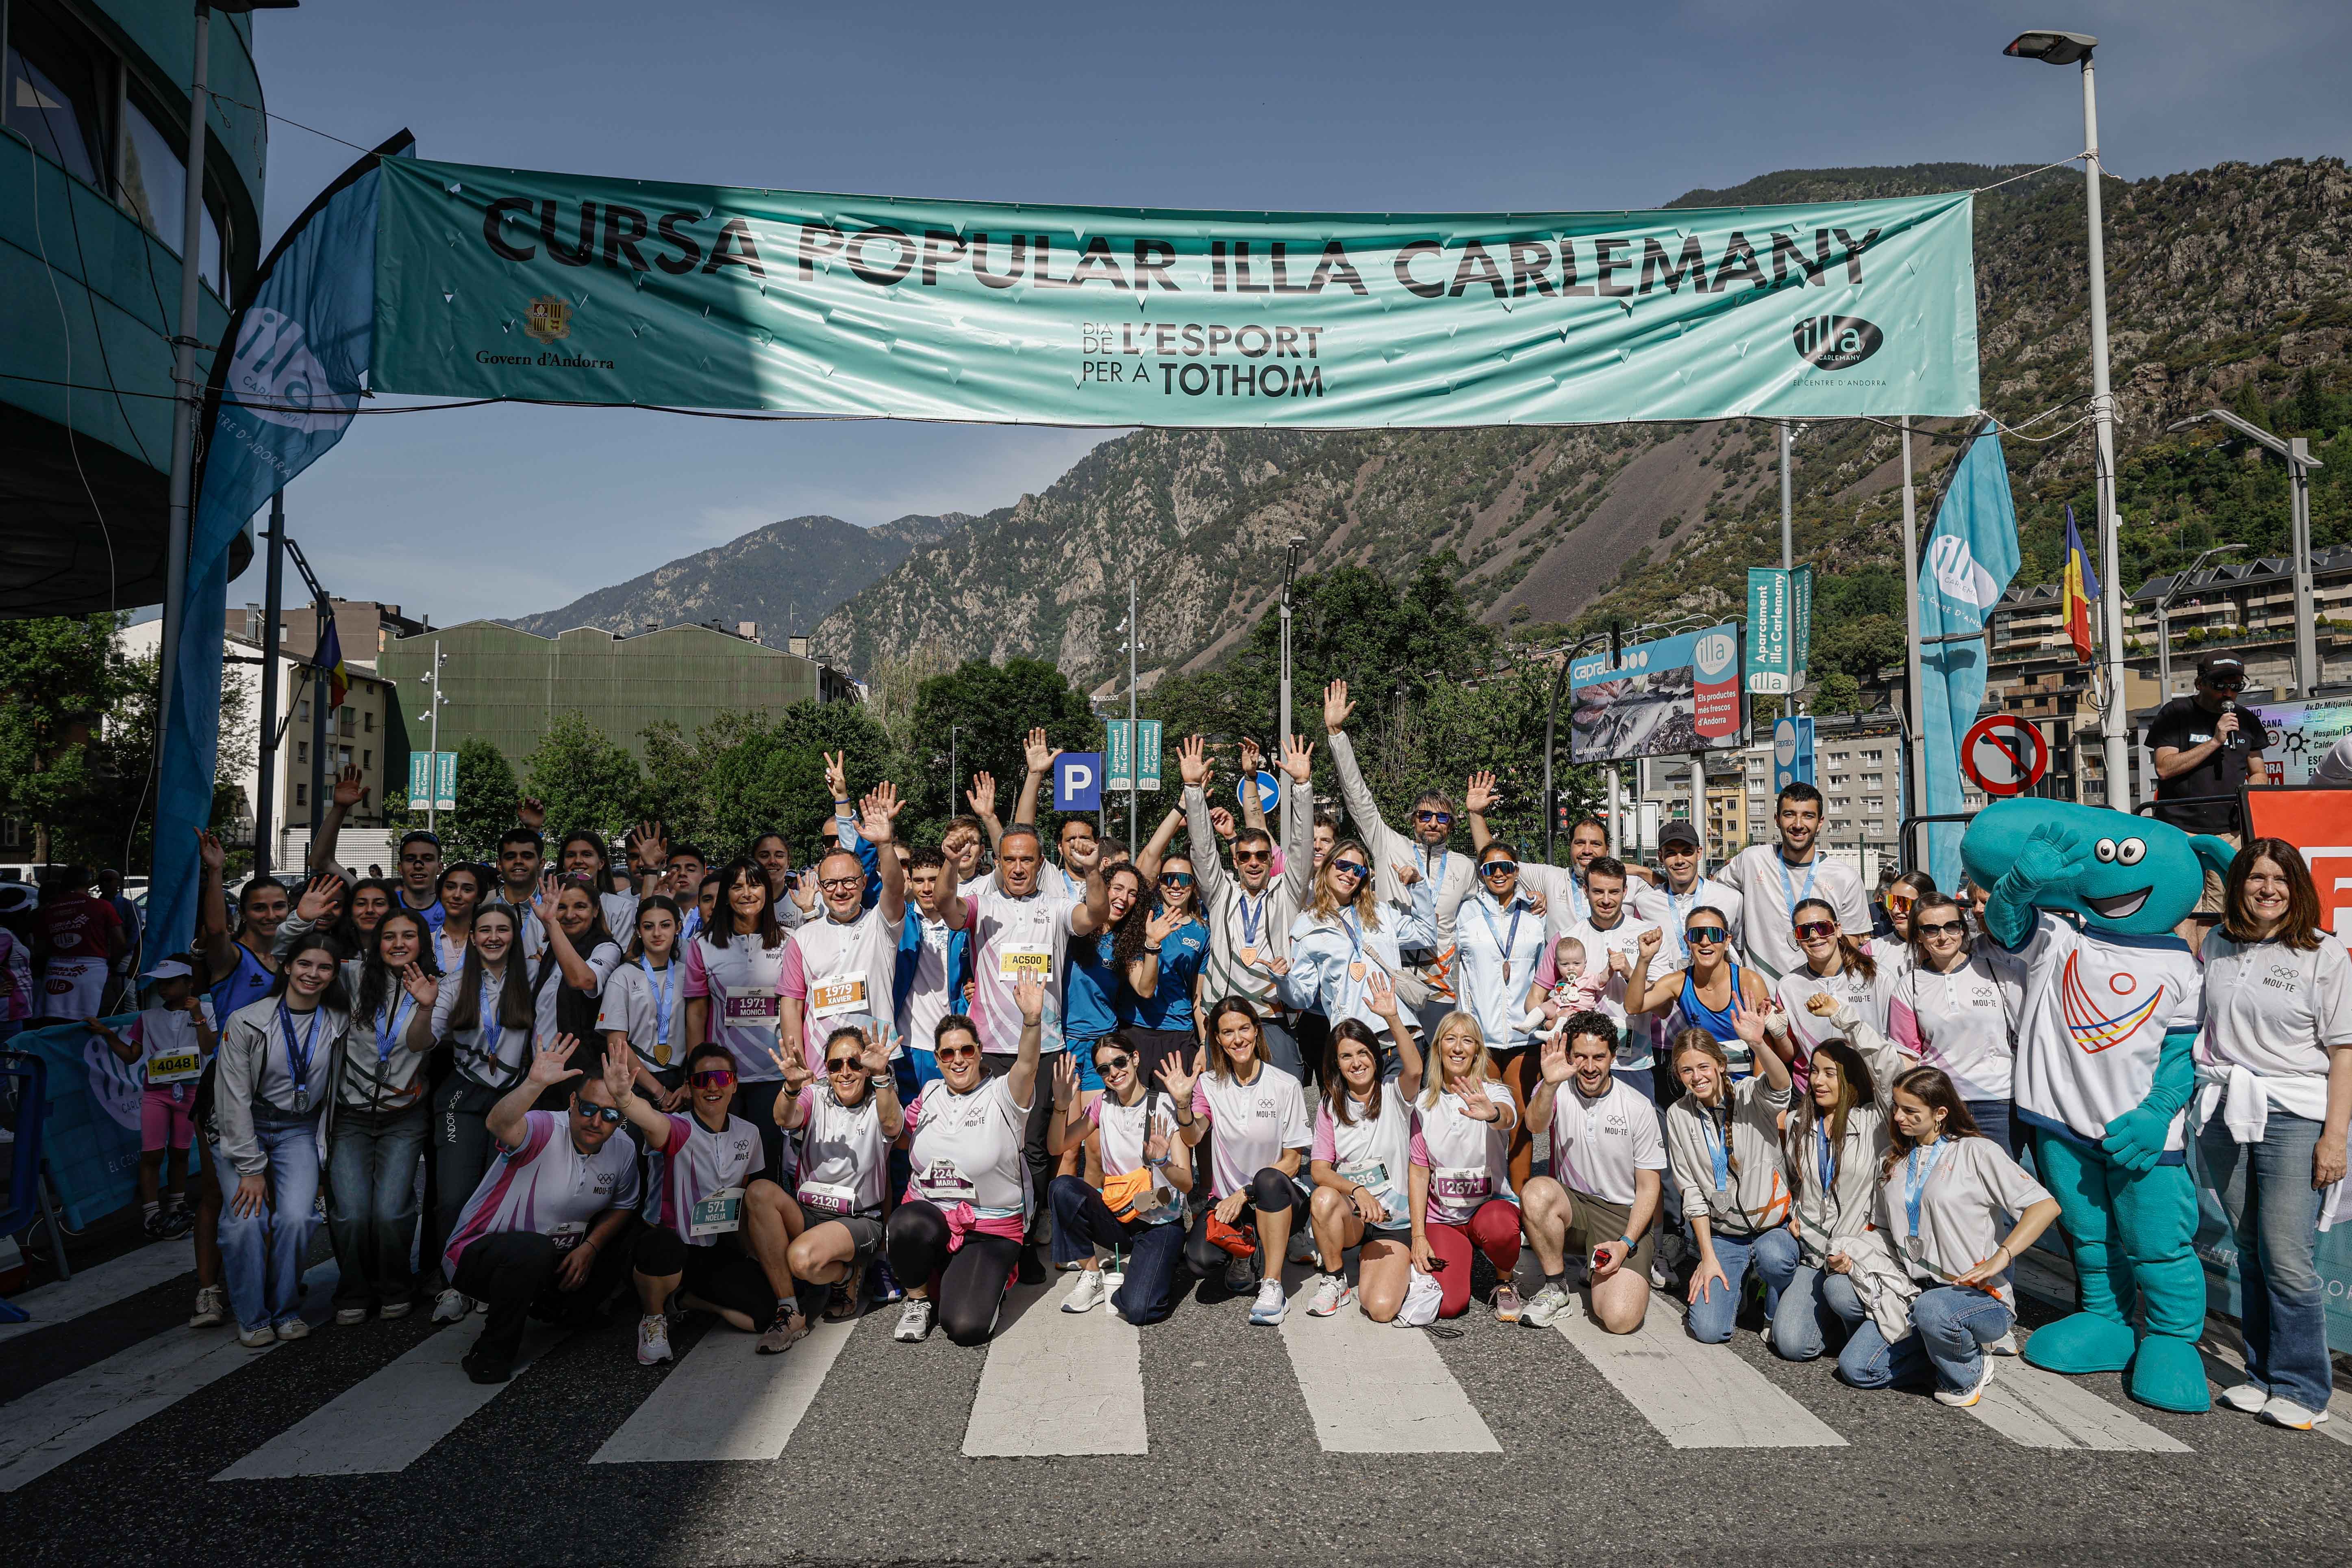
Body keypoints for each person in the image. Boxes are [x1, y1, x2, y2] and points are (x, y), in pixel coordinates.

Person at [2193, 839, 2352, 1431]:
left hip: (2295, 1112)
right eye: (2255, 877)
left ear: (2297, 887)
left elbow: (2344, 1052)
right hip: (2226, 1108)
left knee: (2287, 1256)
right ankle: (2260, 1376)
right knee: (2252, 1249)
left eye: (2278, 879)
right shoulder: (2218, 944)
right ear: (2238, 885)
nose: (2267, 888)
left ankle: (2302, 1385)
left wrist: (2333, 1137)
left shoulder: (2323, 954)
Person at [1835, 1066, 2061, 1407]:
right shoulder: (1891, 1160)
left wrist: (2002, 1256)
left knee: (1935, 1308)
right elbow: (1882, 1230)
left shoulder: (1976, 1152)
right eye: (1896, 1107)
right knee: (1857, 1368)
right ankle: (1939, 1353)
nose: (1898, 1118)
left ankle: (1968, 1369)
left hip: (1977, 1297)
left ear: (1941, 1113)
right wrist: (1854, 1255)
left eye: (1911, 1111)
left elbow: (2044, 1206)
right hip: (1915, 1293)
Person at [441, 1036, 641, 1383]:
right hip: (477, 1256)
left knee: (630, 1235)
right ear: (573, 1101)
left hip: (553, 1258)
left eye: (610, 1115)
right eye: (589, 1109)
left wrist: (590, 1248)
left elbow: (623, 1206)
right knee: (534, 1249)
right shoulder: (545, 1128)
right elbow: (499, 1125)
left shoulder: (623, 1149)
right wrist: (534, 1084)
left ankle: (560, 1307)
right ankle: (490, 1352)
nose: (596, 1121)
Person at [965, 819, 1109, 1276]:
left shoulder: (1057, 904)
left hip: (1046, 1046)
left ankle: (1025, 1238)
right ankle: (995, 1237)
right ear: (997, 862)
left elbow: (1095, 916)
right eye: (1009, 858)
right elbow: (948, 907)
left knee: (1033, 1150)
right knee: (992, 1147)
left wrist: (1091, 873)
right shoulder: (981, 903)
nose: (1018, 866)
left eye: (1028, 858)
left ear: (1041, 862)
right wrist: (951, 863)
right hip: (991, 1048)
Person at [610, 1040, 807, 1362]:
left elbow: (746, 1201)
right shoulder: (678, 1127)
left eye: (722, 1078)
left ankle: (685, 1300)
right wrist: (625, 1099)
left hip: (714, 1249)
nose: (712, 1086)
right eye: (702, 1080)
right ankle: (654, 1317)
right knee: (662, 1247)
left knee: (763, 1315)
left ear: (734, 1084)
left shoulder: (749, 1133)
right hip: (668, 1247)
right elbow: (651, 1120)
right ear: (689, 1087)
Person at [888, 981, 1044, 1346]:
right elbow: (896, 1133)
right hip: (932, 1218)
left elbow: (1027, 1065)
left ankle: (994, 1278)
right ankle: (918, 1300)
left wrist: (1032, 1020)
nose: (957, 1059)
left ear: (978, 1053)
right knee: (906, 1221)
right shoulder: (927, 1094)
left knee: (965, 1328)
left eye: (966, 1049)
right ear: (938, 1058)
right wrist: (881, 1080)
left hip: (991, 1227)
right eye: (947, 1053)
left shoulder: (1005, 1094)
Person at [213, 932, 348, 1347]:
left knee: (296, 1218)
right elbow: (231, 1099)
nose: (313, 973)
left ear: (334, 974)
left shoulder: (339, 1022)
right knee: (246, 1222)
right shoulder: (247, 1020)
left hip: (299, 1128)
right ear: (287, 966)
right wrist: (251, 1168)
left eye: (324, 967)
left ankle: (285, 1308)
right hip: (245, 1127)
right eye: (305, 963)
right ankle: (253, 1317)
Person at [1324, 679, 1478, 1040]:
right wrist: (1337, 735)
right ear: (1413, 820)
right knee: (1392, 1071)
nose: (1433, 823)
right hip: (1388, 976)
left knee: (1436, 1079)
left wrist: (1528, 902)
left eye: (1442, 818)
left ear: (1452, 825)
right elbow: (1358, 798)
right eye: (1425, 815)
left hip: (1442, 986)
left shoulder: (1464, 867)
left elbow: (1483, 914)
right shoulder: (1389, 845)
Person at [1772, 996, 1906, 1362]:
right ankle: (1830, 1326)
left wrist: (1844, 1018)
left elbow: (1890, 1068)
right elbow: (1797, 1181)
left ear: (1850, 1078)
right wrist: (1796, 1212)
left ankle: (1859, 1327)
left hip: (1857, 1255)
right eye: (1814, 1071)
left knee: (1841, 1294)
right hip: (1816, 1254)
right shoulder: (1802, 1123)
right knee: (1792, 1345)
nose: (1817, 1080)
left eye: (1830, 1073)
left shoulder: (1875, 1122)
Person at [1520, 1011, 1667, 1334]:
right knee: (1535, 1192)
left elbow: (1648, 1189)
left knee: (1619, 1318)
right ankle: (1557, 1287)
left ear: (1613, 1056)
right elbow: (1535, 1124)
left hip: (1621, 1216)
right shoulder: (1557, 1087)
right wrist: (1548, 1084)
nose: (1589, 1067)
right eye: (1581, 1056)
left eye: (1599, 1057)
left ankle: (1602, 1267)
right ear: (1570, 1056)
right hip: (1574, 1206)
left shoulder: (1638, 1107)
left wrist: (1626, 1243)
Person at [326, 908, 440, 1322]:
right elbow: (298, 960)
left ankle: (395, 1284)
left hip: (403, 1116)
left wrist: (425, 1006)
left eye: (408, 935)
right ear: (376, 942)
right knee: (351, 1212)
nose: (397, 943)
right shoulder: (352, 976)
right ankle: (354, 1290)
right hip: (350, 1114)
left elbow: (417, 1040)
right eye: (388, 935)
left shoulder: (435, 986)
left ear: (422, 942)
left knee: (391, 1211)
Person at [1180, 732, 1315, 1079]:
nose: (1253, 862)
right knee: (1221, 1116)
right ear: (1236, 860)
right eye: (1245, 856)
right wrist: (1194, 792)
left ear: (1272, 861)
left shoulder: (1287, 894)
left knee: (1283, 1115)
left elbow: (1301, 848)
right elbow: (1203, 848)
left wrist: (1302, 786)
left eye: (1261, 856)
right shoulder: (1221, 892)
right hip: (1224, 1020)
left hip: (1271, 1019)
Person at [1170, 997, 1312, 1324]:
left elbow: (1292, 1162)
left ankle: (1273, 1284)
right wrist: (1182, 1105)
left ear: (1257, 1030)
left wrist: (1245, 1193)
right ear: (1217, 1039)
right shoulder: (1208, 1084)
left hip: (1277, 1195)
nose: (1238, 1039)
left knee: (1269, 1178)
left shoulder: (1286, 1084)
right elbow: (1193, 1137)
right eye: (1228, 1032)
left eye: (1244, 1028)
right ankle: (1246, 1250)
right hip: (1227, 1202)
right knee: (1200, 1261)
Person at [426, 901, 535, 1323]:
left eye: (502, 929)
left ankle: (490, 1278)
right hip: (464, 1095)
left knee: (502, 1196)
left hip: (514, 1095)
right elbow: (421, 1042)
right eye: (484, 929)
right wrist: (424, 1007)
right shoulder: (453, 983)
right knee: (454, 1194)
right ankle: (456, 1281)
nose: (493, 936)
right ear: (472, 937)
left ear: (515, 936)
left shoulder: (531, 981)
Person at [1046, 1032, 1194, 1322]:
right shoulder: (1103, 1104)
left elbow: (1187, 1182)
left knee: (1140, 1309)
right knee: (1062, 1187)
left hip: (1159, 1220)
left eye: (1119, 1062)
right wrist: (1061, 1106)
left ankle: (1154, 1266)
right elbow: (1057, 1146)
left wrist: (1162, 1162)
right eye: (1104, 1069)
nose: (1114, 1072)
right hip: (1118, 1214)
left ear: (1135, 1058)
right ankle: (1092, 1275)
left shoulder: (1164, 1104)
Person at [1665, 1017, 1796, 1344]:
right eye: (1687, 1070)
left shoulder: (1751, 1094)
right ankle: (1744, 1283)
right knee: (1709, 1331)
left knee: (1776, 1259)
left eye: (1704, 1066)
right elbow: (1691, 1193)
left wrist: (1758, 1043)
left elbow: (1782, 1086)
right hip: (1726, 1234)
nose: (1697, 1077)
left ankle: (1769, 1296)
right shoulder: (1677, 1115)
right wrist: (1707, 1256)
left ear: (1721, 1065)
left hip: (1772, 1229)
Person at [1299, 992, 1423, 1321]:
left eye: (1363, 1053)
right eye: (1346, 1056)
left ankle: (1396, 1272)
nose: (1356, 1063)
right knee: (1323, 1198)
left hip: (1391, 1223)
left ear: (1376, 1055)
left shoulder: (1396, 1094)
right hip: (1353, 1216)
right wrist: (1356, 1190)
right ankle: (1336, 1278)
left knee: (1381, 1309)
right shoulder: (1329, 1105)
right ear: (1335, 1063)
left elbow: (1414, 1069)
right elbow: (1319, 1169)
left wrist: (1393, 1018)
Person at [684, 858, 799, 1183]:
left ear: (767, 889)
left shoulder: (790, 941)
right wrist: (696, 1073)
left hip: (772, 1077)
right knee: (722, 1174)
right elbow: (696, 1014)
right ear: (726, 895)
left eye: (754, 884)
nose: (747, 893)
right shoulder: (702, 945)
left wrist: (795, 1071)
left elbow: (793, 1008)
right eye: (737, 886)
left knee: (766, 1173)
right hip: (722, 1080)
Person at [780, 1024, 903, 1324]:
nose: (846, 1072)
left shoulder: (879, 1100)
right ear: (827, 1070)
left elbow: (892, 1125)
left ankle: (847, 1275)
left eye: (855, 1063)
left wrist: (881, 1076)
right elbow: (784, 1117)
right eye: (836, 1065)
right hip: (811, 1212)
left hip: (860, 1220)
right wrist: (791, 1089)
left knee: (801, 1259)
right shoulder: (814, 1094)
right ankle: (786, 1307)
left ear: (865, 1068)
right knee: (757, 1195)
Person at [783, 786, 909, 1076]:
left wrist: (885, 844)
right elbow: (791, 1007)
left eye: (849, 881)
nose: (840, 890)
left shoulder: (881, 924)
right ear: (820, 887)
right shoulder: (802, 938)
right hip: (820, 1068)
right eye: (830, 884)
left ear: (864, 882)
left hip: (874, 1062)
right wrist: (801, 1068)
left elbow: (894, 887)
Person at [1410, 1011, 1527, 1321]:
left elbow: (1507, 1116)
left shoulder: (1495, 1091)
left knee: (1501, 1229)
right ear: (1438, 1048)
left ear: (1477, 1050)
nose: (1458, 1047)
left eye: (1467, 1040)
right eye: (1450, 1039)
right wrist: (1418, 1236)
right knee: (1448, 1306)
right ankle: (1456, 1253)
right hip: (1443, 1219)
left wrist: (1491, 1115)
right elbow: (1420, 1172)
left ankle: (1504, 1280)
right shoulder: (1422, 1105)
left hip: (1489, 1208)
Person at [87, 957, 215, 1238]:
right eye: (160, 983)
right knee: (152, 1152)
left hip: (192, 1091)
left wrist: (198, 1016)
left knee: (181, 1151)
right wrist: (108, 1034)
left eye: (170, 982)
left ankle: (177, 1204)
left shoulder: (206, 1010)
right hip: (157, 1093)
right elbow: (132, 1056)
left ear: (189, 983)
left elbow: (208, 1047)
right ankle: (151, 1213)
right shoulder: (147, 1017)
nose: (163, 988)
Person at [1887, 892, 2020, 1150]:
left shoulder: (1996, 972)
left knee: (1999, 1188)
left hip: (1999, 1104)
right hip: (1940, 1108)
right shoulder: (1908, 986)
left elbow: (2025, 1033)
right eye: (1931, 929)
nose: (1943, 936)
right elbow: (1908, 1059)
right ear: (1918, 936)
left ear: (1962, 929)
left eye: (1951, 926)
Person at [1449, 840, 1549, 1187]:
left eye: (1507, 866)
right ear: (1482, 874)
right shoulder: (1466, 913)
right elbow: (1456, 971)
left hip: (1525, 1035)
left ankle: (1520, 1199)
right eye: (1491, 868)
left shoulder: (1537, 913)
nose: (1500, 873)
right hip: (1481, 1035)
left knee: (1520, 1117)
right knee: (1483, 1116)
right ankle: (1486, 1194)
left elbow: (1548, 970)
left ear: (1518, 870)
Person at [1718, 782, 1871, 982]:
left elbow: (1851, 943)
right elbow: (1714, 893)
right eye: (1789, 814)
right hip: (1761, 995)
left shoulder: (1845, 877)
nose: (1798, 825)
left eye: (1808, 816)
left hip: (1818, 995)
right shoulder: (1752, 860)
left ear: (1821, 822)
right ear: (1777, 819)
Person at [1541, 857, 1665, 1102]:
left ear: (1625, 892)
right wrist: (1554, 1020)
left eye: (1614, 892)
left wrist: (1632, 973)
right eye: (1598, 891)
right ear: (1586, 890)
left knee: (1637, 1139)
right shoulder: (1566, 939)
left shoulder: (1648, 935)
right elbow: (1538, 998)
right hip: (1580, 1065)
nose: (1607, 900)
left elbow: (1664, 1008)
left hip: (1634, 1063)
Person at [1281, 832, 1411, 1058]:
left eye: (1358, 871)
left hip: (1397, 1031)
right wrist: (1282, 980)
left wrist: (1417, 887)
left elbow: (1426, 935)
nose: (1350, 874)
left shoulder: (1380, 913)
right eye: (1343, 865)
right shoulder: (1307, 923)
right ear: (1328, 867)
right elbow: (1302, 997)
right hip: (1351, 1041)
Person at [2145, 650, 2266, 874]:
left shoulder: (2247, 720)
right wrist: (2215, 742)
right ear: (2200, 683)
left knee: (2225, 903)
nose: (2229, 693)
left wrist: (2252, 800)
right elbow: (2164, 768)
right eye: (2220, 686)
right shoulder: (2176, 713)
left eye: (2237, 686)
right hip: (2182, 831)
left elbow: (2258, 771)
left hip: (2232, 833)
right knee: (2184, 901)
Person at [1623, 907, 1772, 1077]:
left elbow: (1766, 1043)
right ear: (1688, 941)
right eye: (1697, 935)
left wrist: (1757, 1091)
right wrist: (1644, 959)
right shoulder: (1679, 982)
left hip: (1747, 1083)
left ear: (1727, 941)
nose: (1705, 942)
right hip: (1703, 1082)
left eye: (1715, 934)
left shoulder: (1749, 981)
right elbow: (1633, 1007)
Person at [1764, 896, 1885, 1090]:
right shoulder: (1788, 987)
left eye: (1823, 928)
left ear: (1838, 930)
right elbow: (1791, 1054)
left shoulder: (1877, 977)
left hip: (1867, 1086)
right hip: (1815, 1090)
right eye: (1804, 931)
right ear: (1797, 938)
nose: (1814, 936)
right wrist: (1778, 1034)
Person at [892, 846, 973, 1096]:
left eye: (934, 880)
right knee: (912, 1123)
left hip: (954, 1044)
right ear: (910, 881)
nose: (927, 889)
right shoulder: (899, 921)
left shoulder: (964, 921)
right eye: (919, 881)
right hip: (910, 1043)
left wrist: (975, 988)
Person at [1125, 848, 1209, 1085]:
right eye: (1167, 878)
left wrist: (1204, 1044)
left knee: (1175, 1112)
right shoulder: (1143, 916)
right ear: (1159, 882)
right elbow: (1148, 858)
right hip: (1136, 1027)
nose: (1175, 885)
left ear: (1193, 885)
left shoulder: (1202, 931)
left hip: (1178, 1033)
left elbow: (1198, 996)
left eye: (1183, 879)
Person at [600, 894, 691, 1106]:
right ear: (638, 931)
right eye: (649, 927)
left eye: (665, 925)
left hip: (683, 1084)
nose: (657, 933)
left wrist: (689, 1082)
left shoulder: (690, 975)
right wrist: (659, 1092)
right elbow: (616, 1043)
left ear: (678, 928)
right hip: (637, 1081)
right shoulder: (622, 976)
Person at [1629, 818, 1747, 972]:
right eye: (1671, 853)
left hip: (1715, 992)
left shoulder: (1731, 899)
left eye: (1687, 852)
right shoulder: (1645, 903)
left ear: (1699, 853)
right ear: (1660, 857)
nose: (1680, 861)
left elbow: (1738, 948)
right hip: (1664, 992)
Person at [33, 866, 124, 1020]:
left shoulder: (48, 910)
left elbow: (40, 947)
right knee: (98, 1027)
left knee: (54, 1027)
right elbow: (120, 941)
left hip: (55, 976)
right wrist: (112, 963)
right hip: (93, 975)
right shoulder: (102, 907)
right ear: (89, 883)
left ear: (64, 883)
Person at [1868, 870, 1936, 980]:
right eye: (1890, 901)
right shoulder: (1873, 951)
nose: (1895, 911)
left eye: (1904, 903)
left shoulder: (1949, 944)